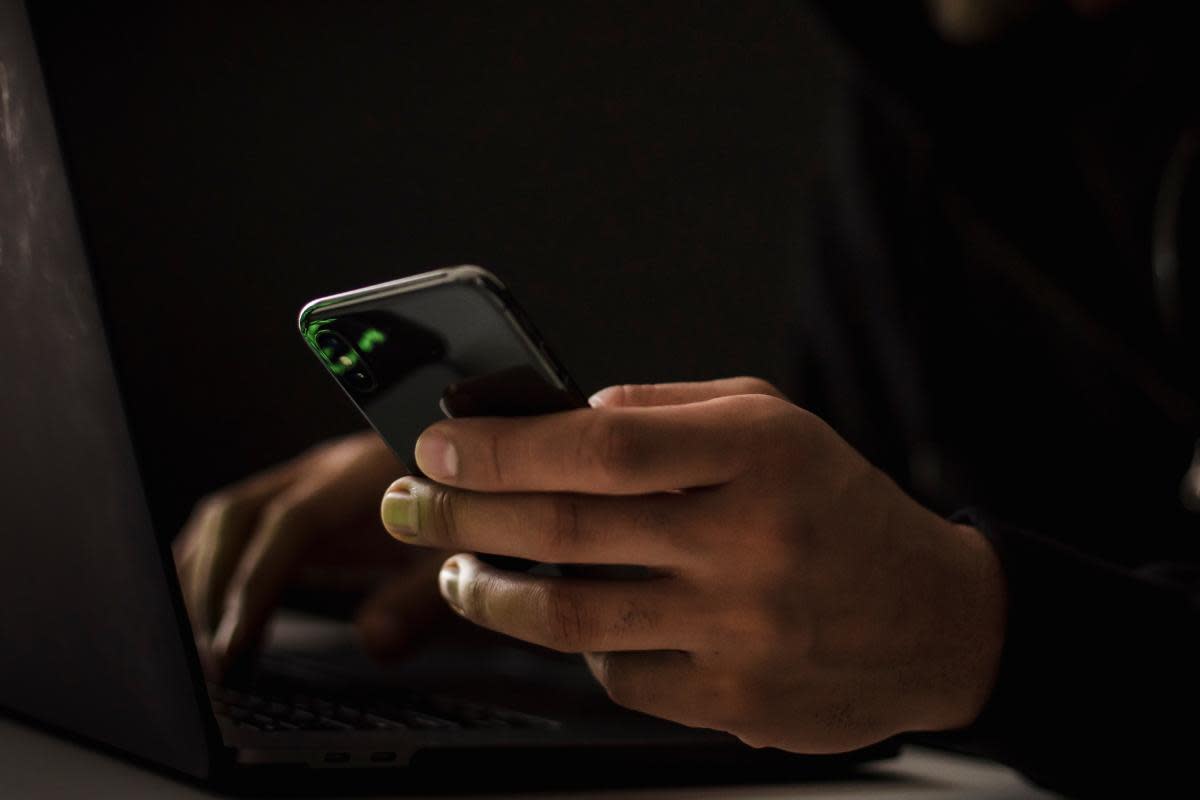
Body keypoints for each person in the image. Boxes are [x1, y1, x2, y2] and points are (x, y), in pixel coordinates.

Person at [174, 0, 1200, 795]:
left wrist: (985, 632)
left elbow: (929, 617)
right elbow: (841, 576)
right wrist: (576, 570)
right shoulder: (920, 67)